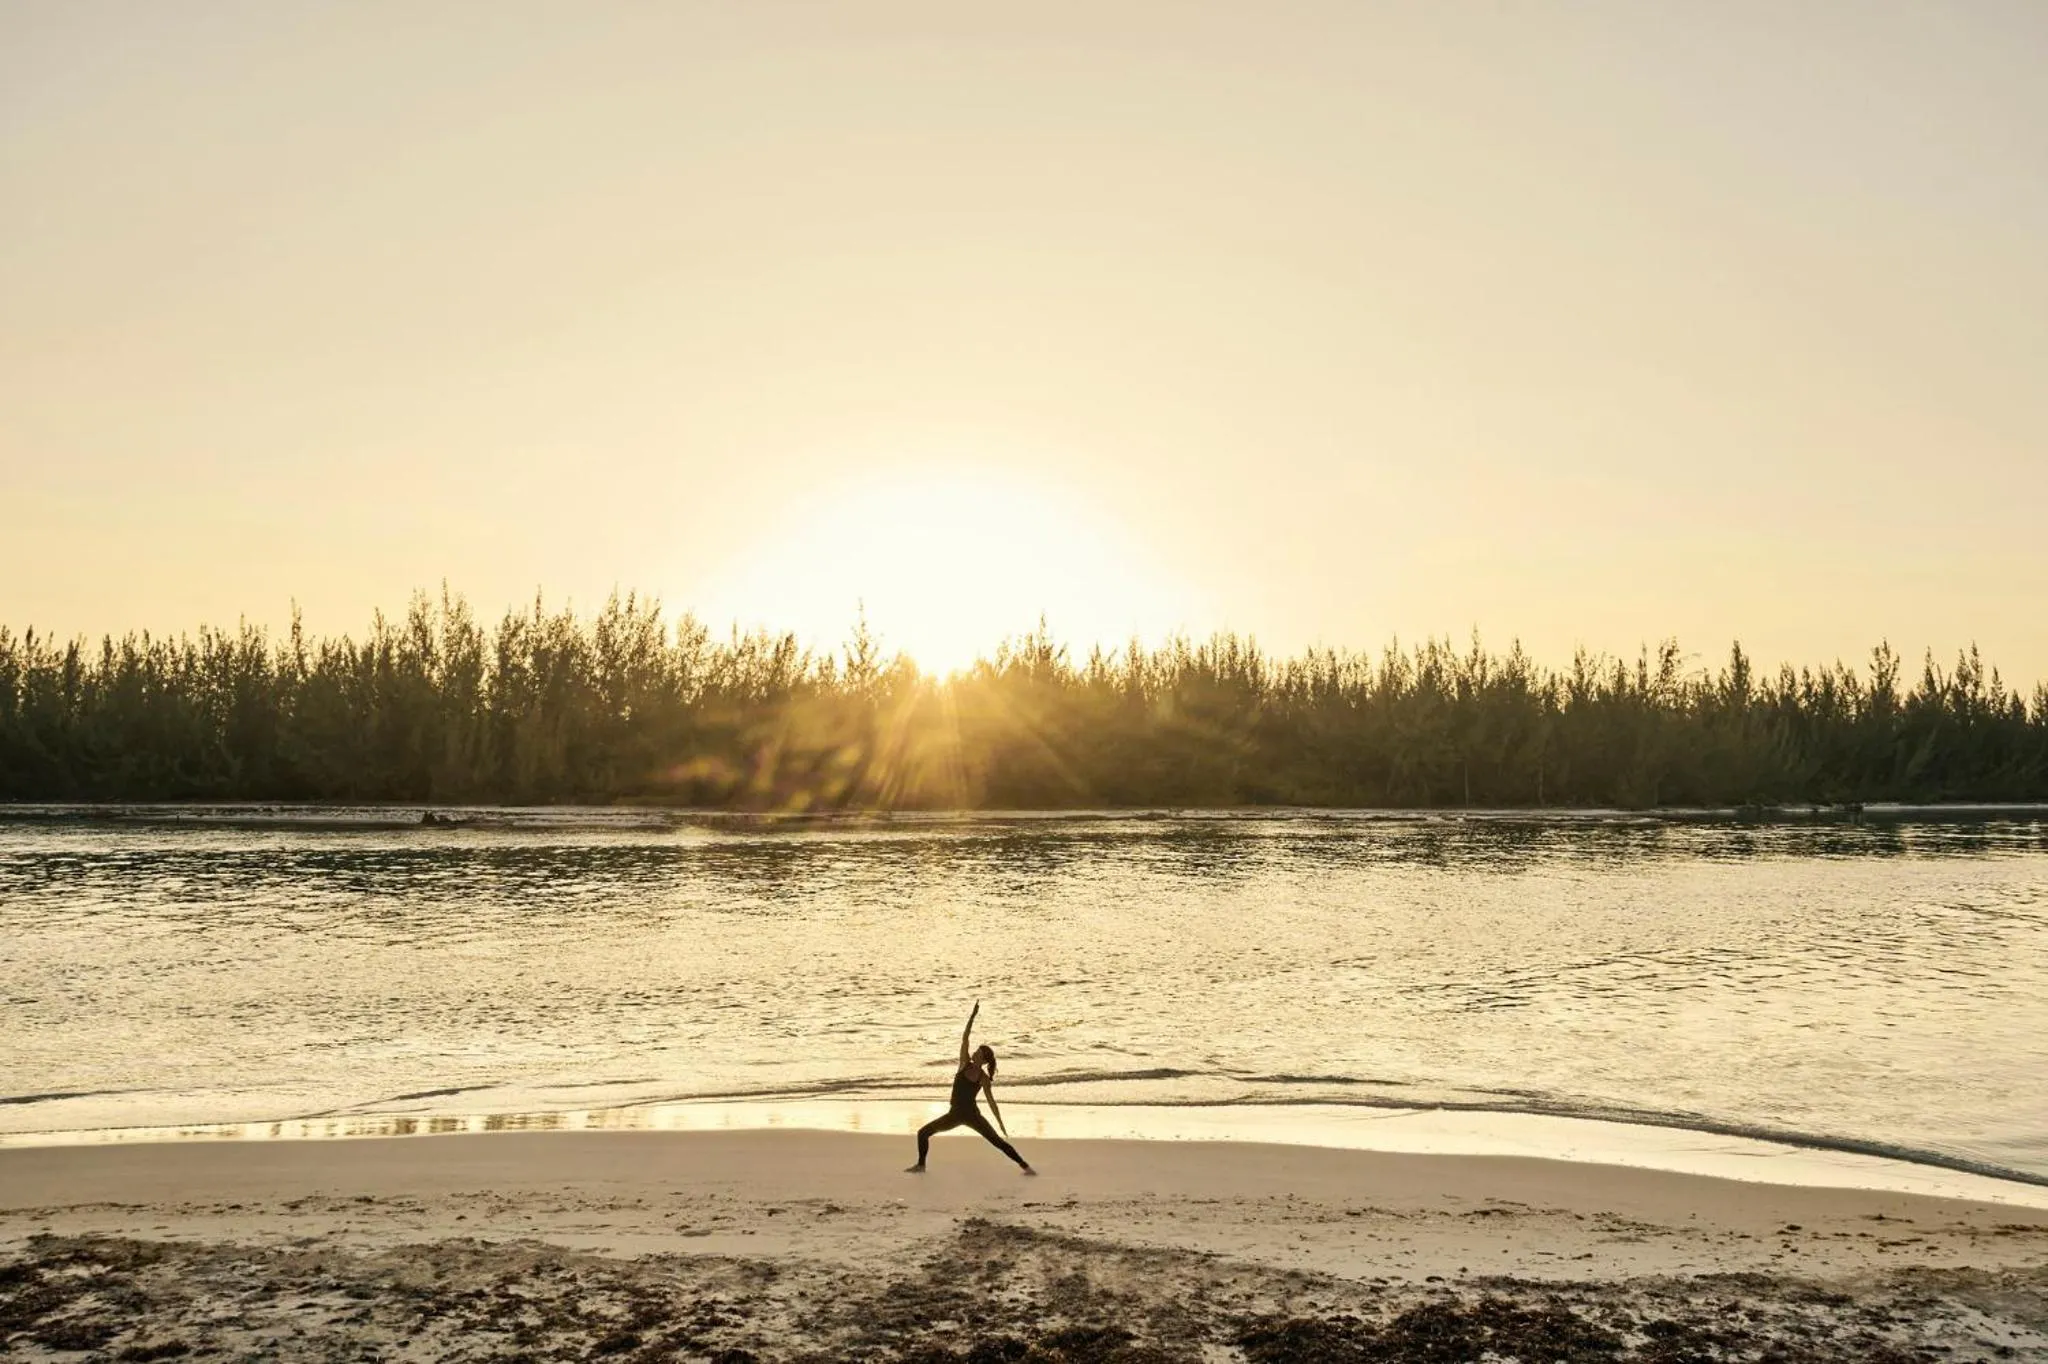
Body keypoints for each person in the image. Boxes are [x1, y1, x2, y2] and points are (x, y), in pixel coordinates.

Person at [906, 1001, 1034, 1174]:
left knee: (997, 1142)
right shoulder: (964, 1064)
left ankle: (1025, 1166)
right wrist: (973, 1016)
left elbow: (991, 1102)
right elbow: (965, 1037)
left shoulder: (983, 1078)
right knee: (923, 1133)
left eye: (978, 1053)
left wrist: (1000, 1122)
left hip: (973, 1116)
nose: (974, 1053)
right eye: (975, 1051)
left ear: (983, 1059)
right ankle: (921, 1165)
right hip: (954, 1115)